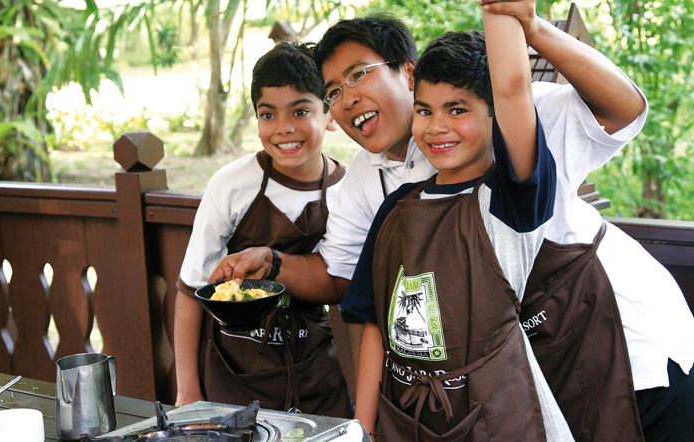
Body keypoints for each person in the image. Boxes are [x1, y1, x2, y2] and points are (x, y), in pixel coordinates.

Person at [212, 3, 694, 440]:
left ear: (408, 71)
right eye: (334, 90)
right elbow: (341, 278)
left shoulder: (507, 118)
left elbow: (623, 112)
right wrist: (272, 262)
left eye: (358, 74)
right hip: (526, 377)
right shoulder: (373, 184)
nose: (347, 97)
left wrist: (532, 27)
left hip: (628, 343)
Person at [341, 11, 565, 439]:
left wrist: (503, 12)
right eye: (424, 110)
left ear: (494, 115)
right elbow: (372, 323)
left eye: (457, 109)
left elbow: (513, 86)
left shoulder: (508, 199)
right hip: (407, 422)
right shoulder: (395, 209)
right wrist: (362, 427)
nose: (437, 126)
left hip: (500, 420)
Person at [173, 41, 351, 418]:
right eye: (267, 115)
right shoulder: (231, 185)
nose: (283, 129)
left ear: (330, 114)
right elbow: (191, 290)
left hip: (315, 372)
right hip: (233, 375)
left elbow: (342, 285)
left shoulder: (347, 191)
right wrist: (188, 389)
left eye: (300, 111)